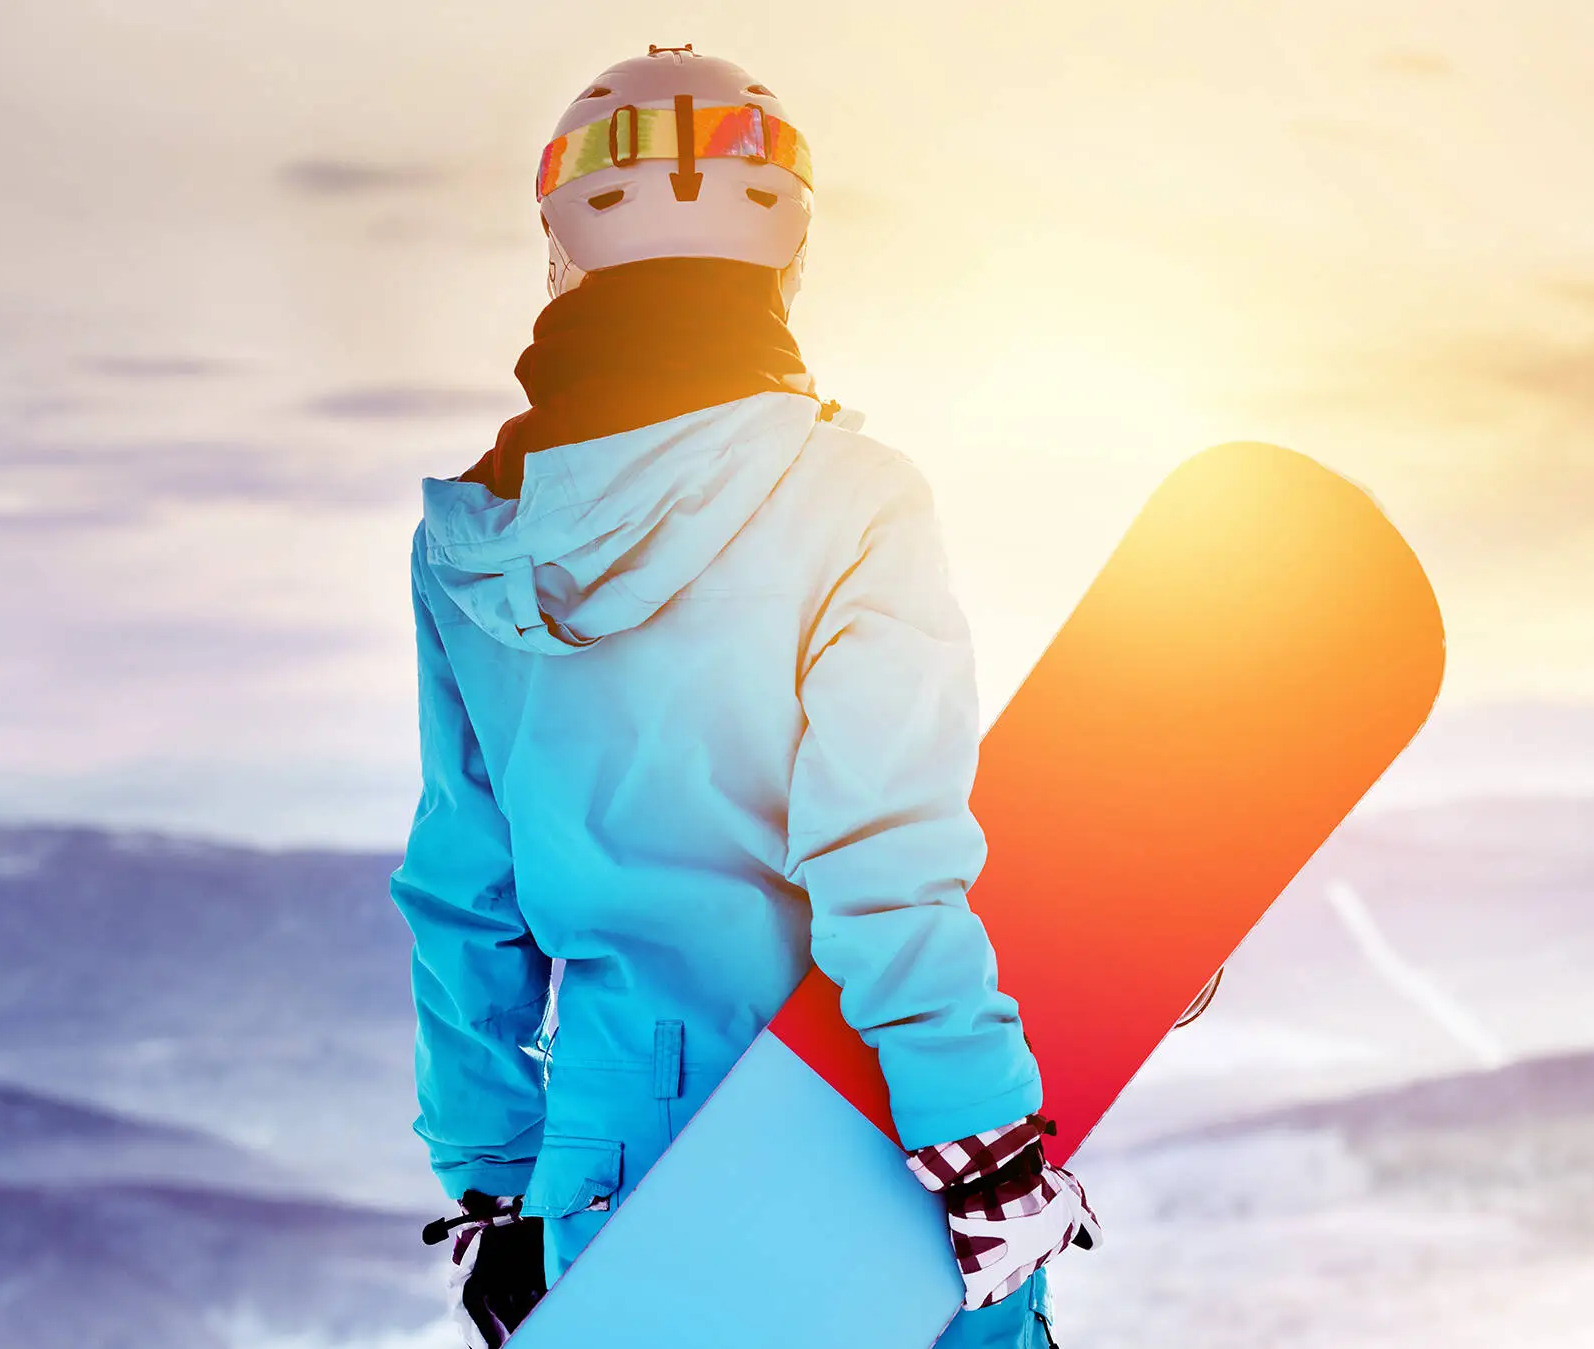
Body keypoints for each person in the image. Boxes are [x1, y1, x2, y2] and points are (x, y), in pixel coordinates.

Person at [391, 45, 1096, 1349]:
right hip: (845, 1112)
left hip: (603, 1160)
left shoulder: (471, 548)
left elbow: (466, 897)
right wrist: (980, 1137)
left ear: (565, 239)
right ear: (784, 248)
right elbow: (878, 858)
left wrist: (492, 1183)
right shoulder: (855, 501)